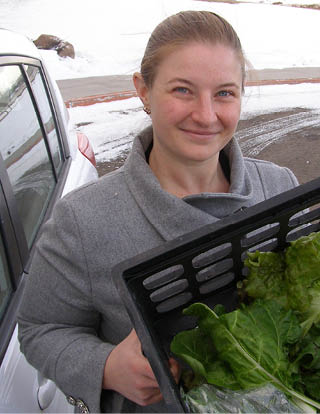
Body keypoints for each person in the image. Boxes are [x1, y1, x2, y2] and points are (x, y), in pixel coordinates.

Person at [17, 10, 299, 414]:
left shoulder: (280, 187)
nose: (205, 115)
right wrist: (108, 367)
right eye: (183, 90)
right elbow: (41, 329)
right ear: (144, 91)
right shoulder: (83, 221)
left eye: (224, 93)